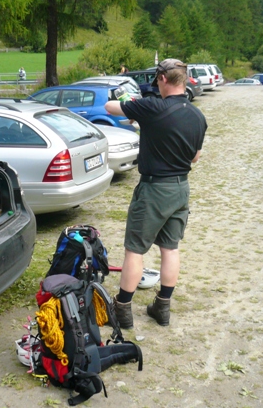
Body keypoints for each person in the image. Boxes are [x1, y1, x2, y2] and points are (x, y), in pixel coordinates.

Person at [104, 59, 208, 328]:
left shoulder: (152, 107)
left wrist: (130, 102)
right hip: (180, 188)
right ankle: (162, 307)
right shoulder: (197, 116)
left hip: (154, 189)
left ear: (162, 79)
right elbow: (195, 157)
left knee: (134, 251)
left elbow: (109, 107)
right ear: (183, 80)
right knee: (170, 248)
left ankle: (123, 309)